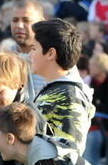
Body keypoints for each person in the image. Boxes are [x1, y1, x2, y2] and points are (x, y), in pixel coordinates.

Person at [31, 19, 95, 150]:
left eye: (34, 48)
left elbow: (68, 157)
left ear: (50, 53)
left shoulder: (68, 97)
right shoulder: (57, 89)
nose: (30, 54)